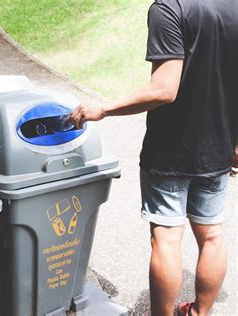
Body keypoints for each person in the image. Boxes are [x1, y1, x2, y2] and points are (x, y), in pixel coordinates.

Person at [69, 1, 237, 315]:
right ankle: (200, 312)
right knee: (212, 234)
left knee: (167, 238)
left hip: (172, 149)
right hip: (219, 146)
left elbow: (164, 88)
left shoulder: (169, 8)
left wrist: (105, 109)